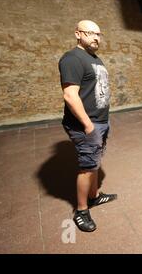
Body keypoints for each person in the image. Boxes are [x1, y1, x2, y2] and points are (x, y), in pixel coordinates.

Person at [59, 20, 117, 232]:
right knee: (87, 166)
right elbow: (70, 95)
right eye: (90, 33)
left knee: (94, 161)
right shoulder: (72, 58)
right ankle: (81, 210)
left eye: (98, 34)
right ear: (77, 34)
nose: (95, 38)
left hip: (100, 121)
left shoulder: (93, 58)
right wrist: (88, 125)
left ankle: (94, 196)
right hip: (87, 124)